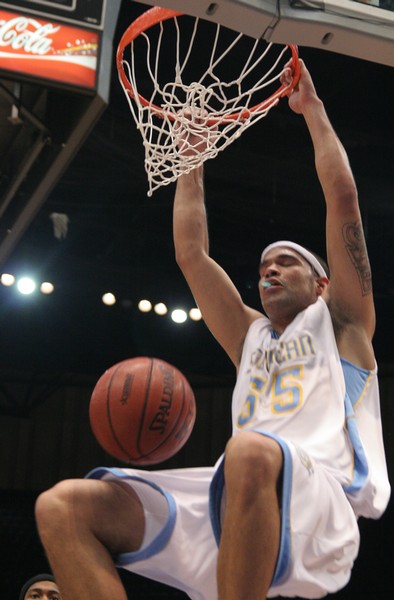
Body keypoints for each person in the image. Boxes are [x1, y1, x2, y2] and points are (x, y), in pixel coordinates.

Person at [34, 60, 390, 600]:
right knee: (62, 506)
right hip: (237, 501)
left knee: (249, 450)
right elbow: (191, 254)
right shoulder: (252, 337)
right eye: (264, 265)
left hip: (321, 505)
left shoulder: (342, 323)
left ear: (322, 284)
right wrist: (192, 156)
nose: (269, 269)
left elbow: (343, 197)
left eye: (287, 262)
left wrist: (313, 113)